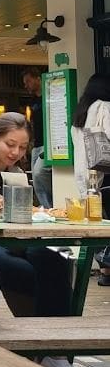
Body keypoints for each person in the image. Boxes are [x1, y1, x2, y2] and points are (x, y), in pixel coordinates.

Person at [0, 113, 71, 318]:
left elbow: (27, 212)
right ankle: (36, 322)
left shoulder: (17, 173)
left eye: (22, 147)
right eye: (10, 144)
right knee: (20, 270)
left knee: (59, 255)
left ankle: (60, 325)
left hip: (18, 238)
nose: (15, 152)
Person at [71, 73, 110, 285]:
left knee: (98, 222)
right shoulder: (103, 106)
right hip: (105, 173)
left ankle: (105, 270)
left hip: (86, 177)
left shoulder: (81, 111)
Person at [23, 67, 52, 208]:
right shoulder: (33, 101)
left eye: (28, 81)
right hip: (37, 144)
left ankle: (50, 205)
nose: (26, 85)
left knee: (39, 173)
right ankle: (45, 206)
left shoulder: (49, 97)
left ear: (38, 79)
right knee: (36, 178)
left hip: (48, 143)